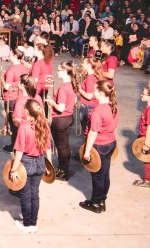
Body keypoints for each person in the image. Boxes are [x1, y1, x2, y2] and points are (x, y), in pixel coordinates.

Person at [9, 99, 52, 233]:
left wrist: (13, 169)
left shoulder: (24, 127)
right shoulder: (44, 125)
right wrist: (49, 165)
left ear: (26, 111)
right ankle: (33, 224)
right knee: (35, 193)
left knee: (25, 195)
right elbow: (48, 147)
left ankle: (26, 224)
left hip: (26, 163)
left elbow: (19, 151)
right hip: (40, 162)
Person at [79, 81, 119, 214]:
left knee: (97, 176)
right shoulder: (113, 106)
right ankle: (102, 200)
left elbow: (93, 132)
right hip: (111, 143)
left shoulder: (97, 112)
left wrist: (87, 152)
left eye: (95, 90)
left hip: (99, 145)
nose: (93, 92)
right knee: (105, 174)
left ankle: (95, 203)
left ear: (101, 93)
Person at [46, 61, 77, 180]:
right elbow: (74, 101)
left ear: (64, 72)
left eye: (59, 70)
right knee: (66, 145)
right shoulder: (72, 84)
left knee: (61, 147)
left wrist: (52, 102)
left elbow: (61, 108)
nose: (57, 72)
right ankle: (65, 168)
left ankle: (63, 171)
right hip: (69, 117)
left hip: (60, 120)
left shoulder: (63, 88)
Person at [2, 50, 28, 152]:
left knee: (13, 123)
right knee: (21, 120)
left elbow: (7, 86)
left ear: (15, 56)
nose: (9, 56)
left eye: (11, 54)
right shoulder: (24, 67)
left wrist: (2, 80)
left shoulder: (11, 70)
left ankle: (14, 146)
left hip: (11, 98)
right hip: (21, 96)